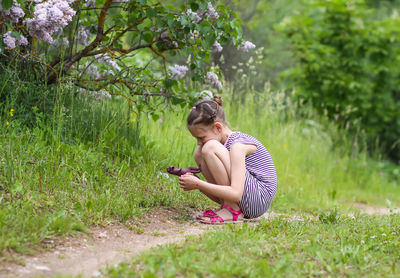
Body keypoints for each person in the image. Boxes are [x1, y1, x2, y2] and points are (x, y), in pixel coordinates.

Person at [178, 95, 277, 224]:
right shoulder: (221, 146)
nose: (198, 142)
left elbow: (236, 193)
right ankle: (228, 206)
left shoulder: (237, 146)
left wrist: (198, 184)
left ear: (218, 128)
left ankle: (231, 210)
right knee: (199, 152)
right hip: (247, 197)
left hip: (258, 198)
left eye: (201, 137)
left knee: (209, 147)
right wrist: (196, 182)